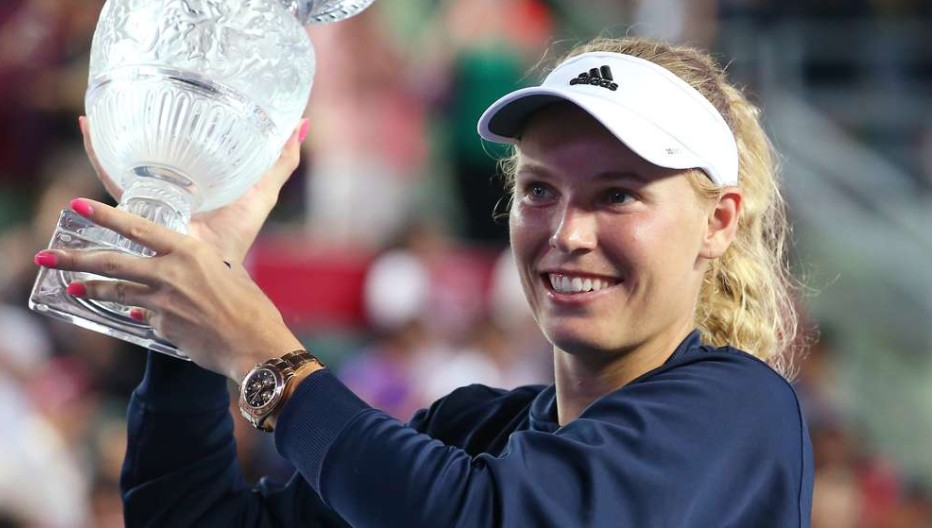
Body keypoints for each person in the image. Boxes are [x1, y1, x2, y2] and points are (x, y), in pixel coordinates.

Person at [35, 36, 813, 526]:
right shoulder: (472, 431)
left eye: (618, 194)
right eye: (541, 190)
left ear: (718, 223)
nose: (569, 233)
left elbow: (484, 518)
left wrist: (259, 348)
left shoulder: (739, 411)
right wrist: (192, 295)